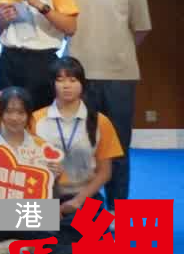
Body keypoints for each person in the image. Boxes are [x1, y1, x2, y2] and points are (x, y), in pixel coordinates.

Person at [60, 0, 148, 203]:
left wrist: (117, 53)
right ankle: (88, 210)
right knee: (79, 148)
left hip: (119, 76)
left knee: (118, 148)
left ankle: (118, 210)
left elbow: (141, 28)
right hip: (77, 79)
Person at [34, 58, 125, 215]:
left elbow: (105, 172)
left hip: (86, 196)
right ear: (52, 84)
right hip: (45, 196)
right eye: (60, 80)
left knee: (95, 231)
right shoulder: (35, 120)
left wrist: (78, 201)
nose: (67, 85)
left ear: (82, 83)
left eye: (73, 80)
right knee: (38, 230)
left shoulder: (100, 121)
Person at [0, 88, 58, 254]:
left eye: (21, 112)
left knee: (65, 225)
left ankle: (0, 248)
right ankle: (20, 247)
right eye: (9, 112)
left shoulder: (42, 147)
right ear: (1, 114)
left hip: (30, 215)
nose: (14, 118)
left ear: (29, 115)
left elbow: (49, 196)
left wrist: (54, 177)